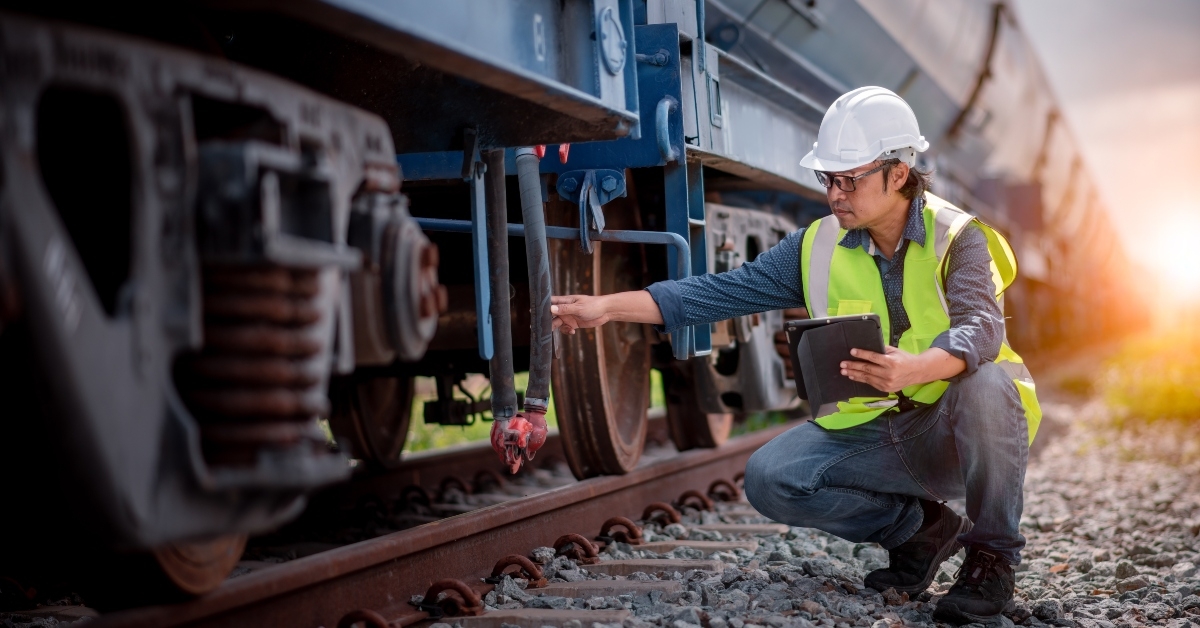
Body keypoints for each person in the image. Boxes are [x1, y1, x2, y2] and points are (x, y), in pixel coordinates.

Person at [550, 86, 1042, 625]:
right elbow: (718, 292)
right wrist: (607, 308)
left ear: (898, 174)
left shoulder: (959, 238)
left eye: (848, 179)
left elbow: (981, 327)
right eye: (827, 179)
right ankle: (921, 533)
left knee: (989, 383)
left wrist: (917, 367)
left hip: (958, 436)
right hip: (884, 434)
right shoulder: (818, 245)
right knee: (770, 476)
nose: (834, 193)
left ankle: (992, 559)